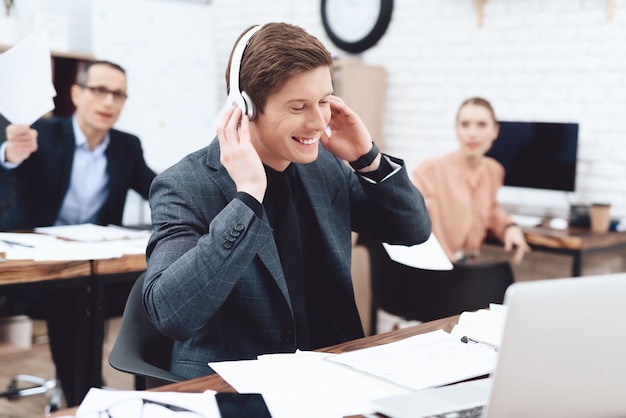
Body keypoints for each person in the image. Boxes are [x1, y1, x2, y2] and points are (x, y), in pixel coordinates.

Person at [143, 22, 431, 379]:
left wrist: (366, 158)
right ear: (245, 107)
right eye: (299, 107)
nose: (318, 122)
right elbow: (171, 311)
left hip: (334, 371)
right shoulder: (185, 183)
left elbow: (413, 229)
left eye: (324, 102)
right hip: (237, 385)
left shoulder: (325, 168)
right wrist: (247, 198)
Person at [0, 60, 156, 406]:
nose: (108, 102)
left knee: (153, 288)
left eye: (118, 94)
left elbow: (157, 189)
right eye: (99, 90)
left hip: (93, 268)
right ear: (76, 93)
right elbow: (7, 172)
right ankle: (84, 397)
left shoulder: (125, 146)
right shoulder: (43, 133)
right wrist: (10, 154)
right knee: (76, 298)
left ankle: (139, 399)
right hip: (40, 271)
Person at [411, 97, 530, 265]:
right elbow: (407, 215)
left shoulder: (493, 170)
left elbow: (491, 209)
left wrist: (509, 227)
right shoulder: (431, 170)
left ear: (495, 131)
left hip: (468, 266)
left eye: (481, 125)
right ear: (456, 129)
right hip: (434, 267)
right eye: (465, 125)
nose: (472, 133)